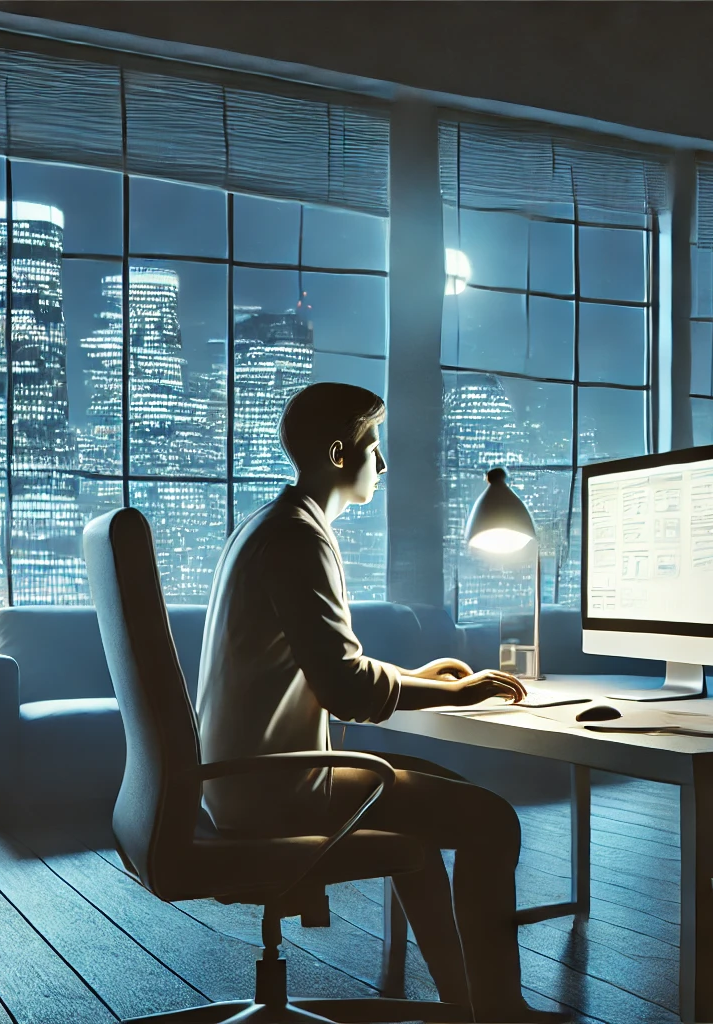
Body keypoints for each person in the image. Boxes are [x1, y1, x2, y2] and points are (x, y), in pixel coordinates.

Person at [197, 381, 547, 1021]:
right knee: (492, 822)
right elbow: (347, 687)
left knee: (428, 803)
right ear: (338, 453)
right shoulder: (298, 539)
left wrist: (432, 682)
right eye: (373, 447)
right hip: (274, 788)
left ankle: (466, 1003)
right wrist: (453, 689)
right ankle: (498, 1010)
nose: (382, 465)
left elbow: (333, 666)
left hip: (234, 781)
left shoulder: (271, 525)